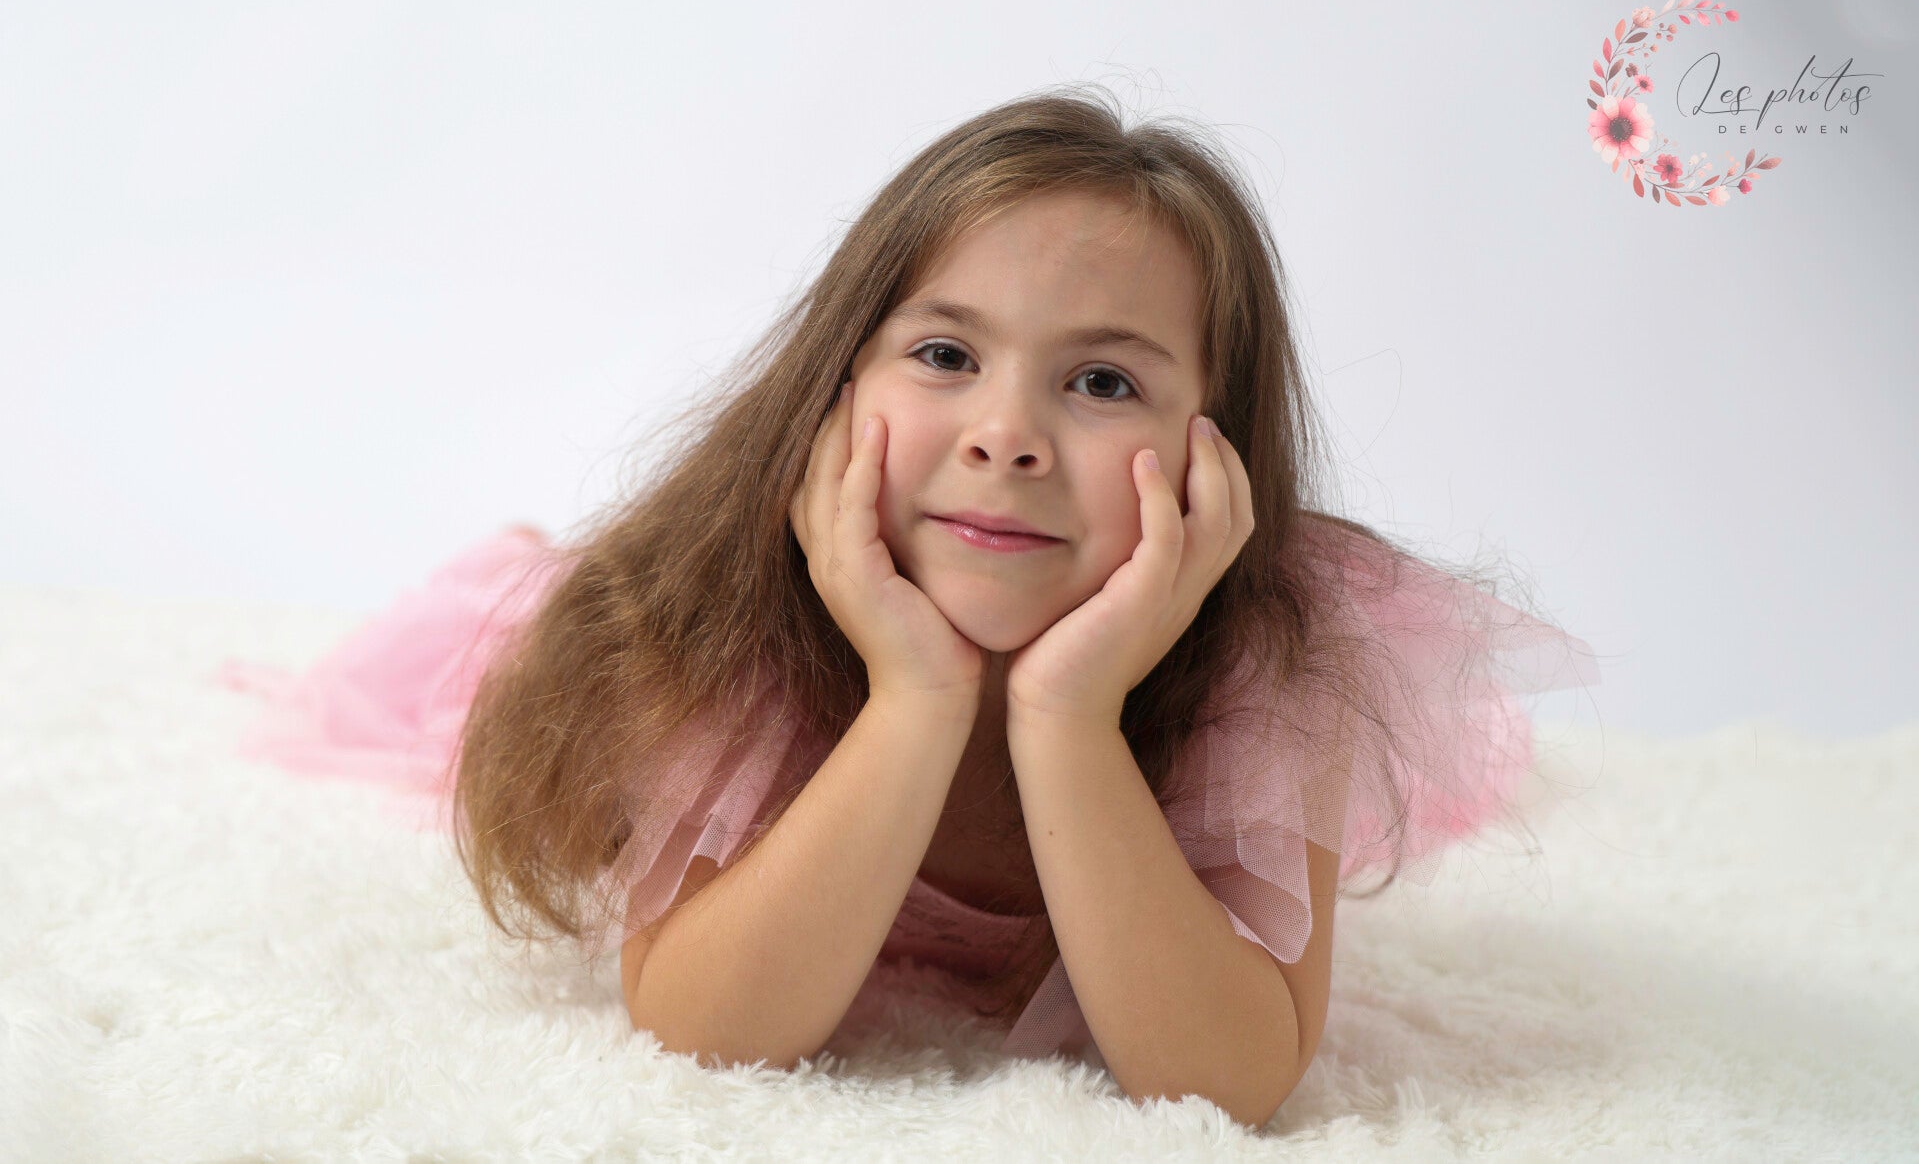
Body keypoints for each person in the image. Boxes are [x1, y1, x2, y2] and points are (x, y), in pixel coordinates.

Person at [213, 84, 1600, 1127]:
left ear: (1213, 456)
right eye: (944, 353)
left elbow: (1231, 1080)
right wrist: (919, 694)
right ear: (839, 387)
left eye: (1103, 381)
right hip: (734, 620)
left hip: (1138, 682)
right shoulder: (721, 619)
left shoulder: (1273, 653)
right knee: (483, 687)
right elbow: (698, 1027)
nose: (1007, 434)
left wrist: (1069, 711)